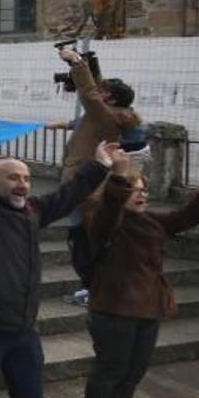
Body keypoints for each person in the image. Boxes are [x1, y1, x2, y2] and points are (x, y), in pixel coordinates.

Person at [0, 129, 120, 398]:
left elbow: (68, 195)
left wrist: (100, 164)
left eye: (27, 178)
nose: (23, 184)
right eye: (13, 177)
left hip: (22, 329)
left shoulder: (32, 212)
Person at [83, 169, 199, 398]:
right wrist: (117, 180)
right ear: (119, 194)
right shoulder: (104, 221)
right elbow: (107, 213)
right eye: (134, 190)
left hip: (148, 308)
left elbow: (184, 217)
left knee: (133, 372)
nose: (141, 195)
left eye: (144, 190)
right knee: (110, 371)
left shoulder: (150, 220)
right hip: (114, 309)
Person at [51, 47, 143, 307]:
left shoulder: (105, 113)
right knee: (88, 236)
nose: (99, 94)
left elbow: (90, 93)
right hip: (91, 184)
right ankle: (94, 286)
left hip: (86, 185)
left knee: (82, 239)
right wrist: (90, 65)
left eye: (105, 93)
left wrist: (77, 62)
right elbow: (97, 92)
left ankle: (92, 287)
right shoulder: (113, 114)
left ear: (111, 100)